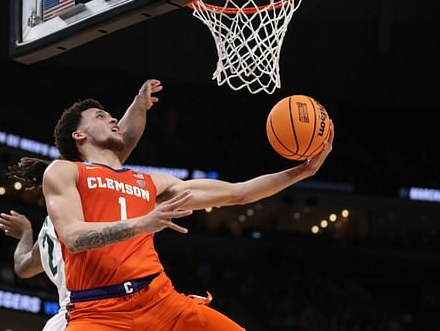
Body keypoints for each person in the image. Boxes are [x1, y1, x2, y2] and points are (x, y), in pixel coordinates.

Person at [18, 79, 334, 330]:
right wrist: (143, 223)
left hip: (161, 304)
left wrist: (301, 171)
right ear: (79, 135)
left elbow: (239, 193)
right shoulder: (65, 172)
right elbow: (73, 237)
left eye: (111, 114)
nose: (112, 118)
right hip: (97, 313)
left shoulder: (151, 184)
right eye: (100, 116)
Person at [0, 79, 163, 331]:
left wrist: (26, 233)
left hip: (69, 318)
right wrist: (139, 103)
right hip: (88, 314)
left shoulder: (49, 231)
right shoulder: (87, 191)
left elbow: (22, 267)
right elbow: (122, 143)